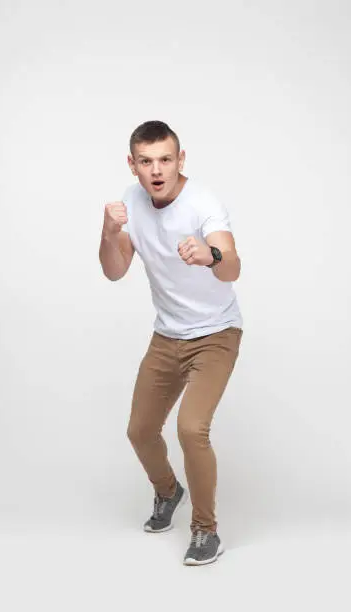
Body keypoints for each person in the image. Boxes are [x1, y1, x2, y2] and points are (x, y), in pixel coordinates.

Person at [99, 120, 243, 565]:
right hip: (167, 335)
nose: (156, 170)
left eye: (165, 159)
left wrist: (210, 255)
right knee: (139, 430)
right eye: (146, 162)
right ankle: (168, 491)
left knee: (191, 429)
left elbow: (233, 266)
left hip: (216, 334)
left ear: (181, 160)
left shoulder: (203, 203)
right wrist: (107, 233)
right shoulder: (129, 201)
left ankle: (206, 531)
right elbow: (114, 270)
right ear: (133, 165)